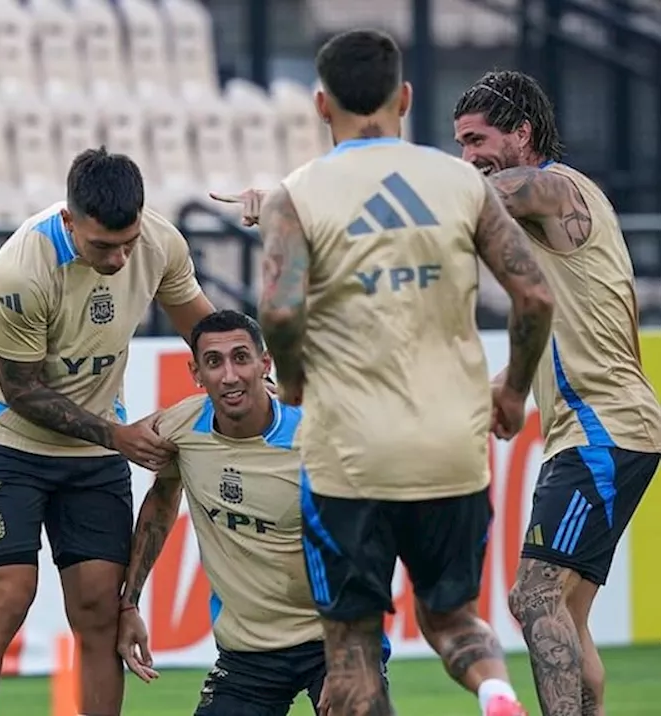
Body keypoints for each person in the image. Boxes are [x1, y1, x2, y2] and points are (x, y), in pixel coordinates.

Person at [216, 29, 554, 716]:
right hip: (450, 451)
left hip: (350, 457)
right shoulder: (460, 181)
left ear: (319, 104)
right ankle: (494, 689)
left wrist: (294, 376)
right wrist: (513, 391)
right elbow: (535, 295)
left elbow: (277, 314)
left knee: (352, 648)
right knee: (454, 619)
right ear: (404, 97)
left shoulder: (296, 194)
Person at [0, 147, 217, 716]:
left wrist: (253, 382)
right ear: (70, 222)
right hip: (9, 443)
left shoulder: (162, 245)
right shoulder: (21, 268)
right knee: (6, 596)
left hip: (91, 455)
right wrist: (118, 437)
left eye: (128, 242)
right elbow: (22, 391)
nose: (120, 260)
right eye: (102, 246)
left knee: (99, 608)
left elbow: (205, 331)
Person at [453, 70, 662, 716]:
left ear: (523, 133)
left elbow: (474, 197)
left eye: (478, 138)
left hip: (604, 430)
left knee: (535, 596)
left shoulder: (554, 188)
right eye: (459, 143)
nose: (468, 157)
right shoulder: (549, 213)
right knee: (566, 618)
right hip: (602, 429)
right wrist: (499, 387)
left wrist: (326, 194)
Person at [116, 310, 391, 716]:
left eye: (241, 358)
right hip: (248, 655)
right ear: (196, 372)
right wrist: (129, 604)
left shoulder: (317, 440)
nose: (229, 376)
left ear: (265, 364)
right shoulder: (183, 429)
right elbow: (160, 494)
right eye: (214, 362)